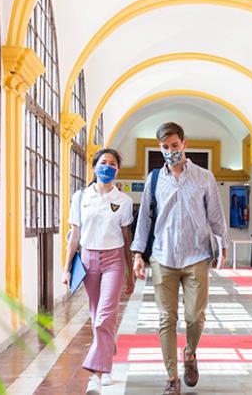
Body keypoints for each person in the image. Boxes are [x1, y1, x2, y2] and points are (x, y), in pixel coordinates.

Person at [131, 122, 229, 395]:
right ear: (159, 147)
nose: (170, 151)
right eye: (165, 147)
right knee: (166, 318)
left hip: (197, 255)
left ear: (184, 144)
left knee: (195, 317)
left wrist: (223, 247)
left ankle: (190, 352)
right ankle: (172, 377)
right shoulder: (154, 180)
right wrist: (138, 254)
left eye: (174, 145)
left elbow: (216, 216)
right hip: (163, 256)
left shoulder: (204, 177)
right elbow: (145, 218)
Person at [64, 148, 135, 395]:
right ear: (94, 167)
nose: (107, 167)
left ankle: (97, 374)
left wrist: (130, 273)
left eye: (112, 163)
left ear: (118, 170)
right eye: (103, 162)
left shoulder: (124, 201)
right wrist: (66, 268)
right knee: (97, 317)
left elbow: (126, 238)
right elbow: (74, 236)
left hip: (114, 260)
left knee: (105, 316)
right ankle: (107, 352)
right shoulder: (80, 197)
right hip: (88, 260)